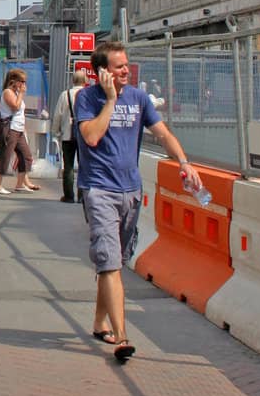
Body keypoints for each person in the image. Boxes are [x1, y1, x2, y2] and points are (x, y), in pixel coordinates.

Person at [75, 39, 200, 363]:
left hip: (130, 191)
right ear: (103, 72)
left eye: (126, 65)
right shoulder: (86, 99)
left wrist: (184, 162)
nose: (126, 71)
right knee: (109, 261)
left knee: (114, 261)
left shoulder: (140, 98)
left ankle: (100, 322)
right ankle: (122, 336)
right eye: (119, 67)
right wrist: (111, 101)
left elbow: (163, 134)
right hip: (99, 189)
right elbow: (91, 136)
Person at [0, 68, 39, 195]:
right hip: (10, 129)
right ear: (14, 81)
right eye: (22, 81)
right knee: (4, 157)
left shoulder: (16, 93)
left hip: (19, 129)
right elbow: (15, 106)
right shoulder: (8, 92)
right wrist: (22, 94)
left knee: (26, 156)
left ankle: (20, 183)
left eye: (25, 82)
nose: (24, 85)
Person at [51, 70, 88, 204]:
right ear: (85, 81)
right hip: (85, 136)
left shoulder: (64, 95)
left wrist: (55, 131)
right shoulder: (88, 95)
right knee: (84, 166)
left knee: (68, 166)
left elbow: (58, 115)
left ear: (72, 80)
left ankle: (69, 196)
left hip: (67, 135)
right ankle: (82, 196)